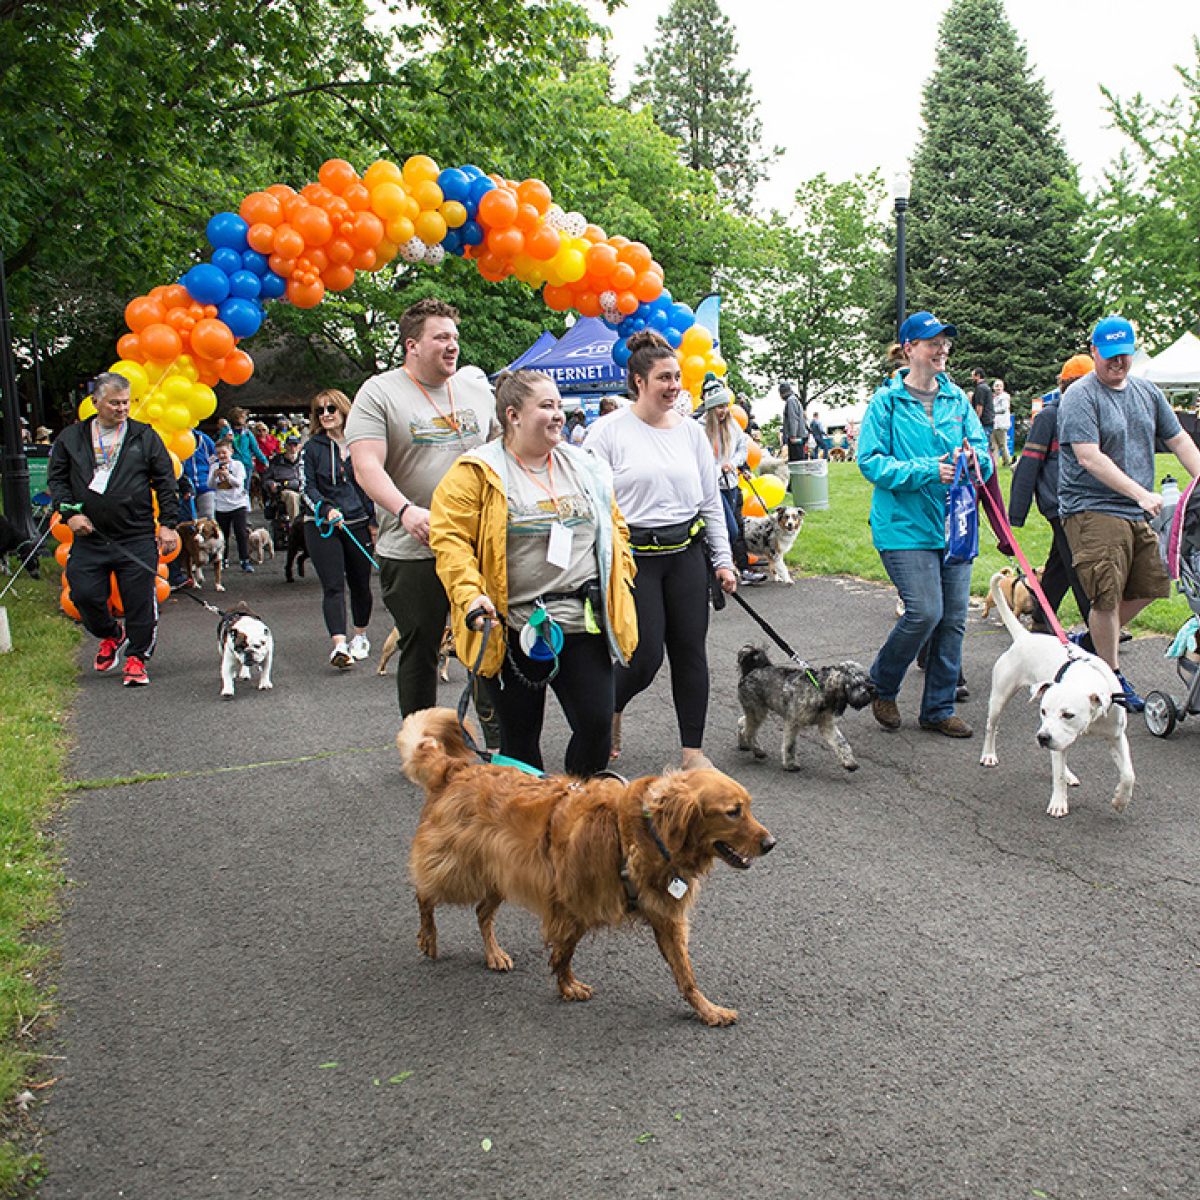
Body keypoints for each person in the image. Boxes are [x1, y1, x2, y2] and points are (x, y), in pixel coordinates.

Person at [430, 370, 637, 775]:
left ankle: (577, 815)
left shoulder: (584, 466)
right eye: (547, 406)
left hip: (581, 624)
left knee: (595, 727)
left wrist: (622, 572)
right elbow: (450, 542)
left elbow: (616, 528)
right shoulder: (475, 472)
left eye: (559, 405)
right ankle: (533, 827)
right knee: (520, 742)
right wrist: (471, 594)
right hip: (511, 628)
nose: (559, 414)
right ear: (513, 415)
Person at [586, 329, 737, 770]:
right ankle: (608, 709)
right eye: (664, 378)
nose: (674, 386)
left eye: (677, 377)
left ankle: (693, 753)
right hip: (635, 560)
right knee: (645, 657)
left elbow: (711, 502)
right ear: (638, 382)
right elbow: (591, 502)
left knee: (691, 652)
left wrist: (724, 561)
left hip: (686, 556)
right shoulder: (607, 432)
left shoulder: (691, 433)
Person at [346, 297, 498, 716]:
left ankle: (500, 750)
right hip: (414, 545)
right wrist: (405, 510)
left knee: (488, 643)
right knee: (422, 648)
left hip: (477, 543)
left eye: (455, 337)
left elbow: (504, 451)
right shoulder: (379, 392)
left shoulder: (474, 390)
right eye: (441, 337)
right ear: (412, 345)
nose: (452, 345)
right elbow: (366, 465)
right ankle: (424, 750)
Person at [857, 311, 993, 737]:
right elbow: (871, 462)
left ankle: (938, 708)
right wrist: (928, 470)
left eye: (946, 343)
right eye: (933, 342)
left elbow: (984, 454)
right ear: (909, 348)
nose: (942, 350)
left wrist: (974, 462)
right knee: (925, 612)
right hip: (902, 526)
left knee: (953, 619)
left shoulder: (957, 400)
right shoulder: (886, 402)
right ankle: (882, 683)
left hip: (955, 526)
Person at [1057, 315, 1200, 709]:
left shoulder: (1146, 392)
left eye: (1124, 356)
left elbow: (1179, 439)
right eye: (1109, 357)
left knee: (1153, 585)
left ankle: (1089, 643)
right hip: (1091, 507)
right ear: (1094, 353)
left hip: (1137, 508)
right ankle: (1111, 679)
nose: (1117, 364)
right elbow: (1089, 457)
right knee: (1106, 595)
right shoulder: (1080, 396)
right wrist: (1140, 493)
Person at [47, 371, 180, 687]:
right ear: (96, 402)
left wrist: (169, 525)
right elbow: (58, 480)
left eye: (126, 402)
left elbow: (165, 482)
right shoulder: (71, 437)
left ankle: (137, 657)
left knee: (138, 601)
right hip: (90, 536)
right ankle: (110, 633)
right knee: (84, 594)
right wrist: (69, 514)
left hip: (134, 535)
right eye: (114, 403)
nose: (122, 409)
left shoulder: (143, 436)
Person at [1009, 354, 1095, 635]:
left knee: (1061, 562)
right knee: (1079, 565)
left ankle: (1041, 618)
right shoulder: (1049, 416)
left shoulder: (1094, 413)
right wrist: (1016, 515)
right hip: (1059, 504)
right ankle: (1098, 629)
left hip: (1086, 502)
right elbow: (1029, 464)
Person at [300, 389, 376, 669]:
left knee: (360, 583)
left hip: (357, 522)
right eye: (320, 411)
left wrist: (374, 521)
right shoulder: (312, 447)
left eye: (331, 408)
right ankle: (339, 645)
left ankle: (360, 636)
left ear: (344, 410)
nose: (326, 415)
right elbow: (305, 486)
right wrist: (324, 508)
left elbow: (372, 484)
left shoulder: (361, 444)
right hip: (322, 525)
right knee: (333, 586)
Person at [701, 373, 763, 585]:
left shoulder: (733, 425)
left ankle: (743, 569)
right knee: (727, 528)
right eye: (719, 407)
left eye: (725, 406)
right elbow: (699, 458)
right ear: (710, 408)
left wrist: (734, 463)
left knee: (736, 527)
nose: (723, 411)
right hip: (713, 487)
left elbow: (742, 448)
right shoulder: (700, 428)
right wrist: (719, 468)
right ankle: (718, 568)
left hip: (731, 484)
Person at [208, 437, 254, 572]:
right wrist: (215, 476)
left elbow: (239, 483)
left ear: (231, 452)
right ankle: (223, 559)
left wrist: (227, 475)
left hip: (238, 503)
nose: (221, 456)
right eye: (219, 453)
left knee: (240, 532)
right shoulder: (214, 466)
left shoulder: (238, 465)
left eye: (224, 453)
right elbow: (209, 485)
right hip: (221, 505)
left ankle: (244, 560)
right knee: (223, 534)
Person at [262, 432, 304, 527]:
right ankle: (296, 527)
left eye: (295, 446)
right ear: (285, 447)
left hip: (303, 489)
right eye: (290, 446)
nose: (292, 449)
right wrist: (271, 484)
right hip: (285, 490)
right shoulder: (276, 462)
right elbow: (267, 479)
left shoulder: (304, 461)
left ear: (299, 447)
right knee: (292, 497)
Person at [226, 407, 268, 499]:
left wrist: (264, 461)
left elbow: (255, 449)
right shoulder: (226, 432)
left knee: (245, 489)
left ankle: (244, 508)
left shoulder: (247, 433)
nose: (244, 419)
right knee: (232, 487)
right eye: (242, 417)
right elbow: (221, 446)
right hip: (232, 464)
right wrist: (227, 440)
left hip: (246, 464)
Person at [182, 427, 217, 521]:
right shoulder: (176, 440)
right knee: (189, 519)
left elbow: (215, 459)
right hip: (186, 487)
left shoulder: (204, 440)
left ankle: (212, 535)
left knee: (208, 517)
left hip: (205, 485)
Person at [779, 381, 809, 462]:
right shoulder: (795, 399)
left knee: (796, 462)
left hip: (796, 437)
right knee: (799, 460)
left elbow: (793, 419)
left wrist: (793, 436)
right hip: (800, 435)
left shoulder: (791, 401)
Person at [990, 378, 1013, 467]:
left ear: (1003, 387)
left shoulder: (1005, 397)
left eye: (999, 386)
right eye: (996, 386)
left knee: (1002, 444)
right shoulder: (994, 397)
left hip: (1001, 424)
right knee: (994, 445)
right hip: (995, 424)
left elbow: (1004, 409)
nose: (998, 388)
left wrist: (992, 411)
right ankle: (995, 463)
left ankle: (1007, 461)